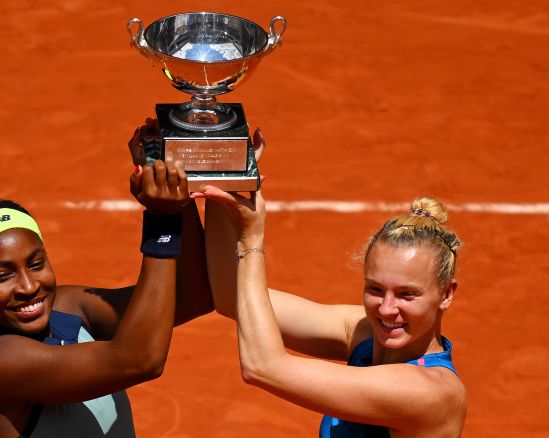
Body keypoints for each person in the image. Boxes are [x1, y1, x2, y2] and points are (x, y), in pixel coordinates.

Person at [0, 128, 213, 437]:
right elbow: (139, 360)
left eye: (36, 264)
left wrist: (171, 183)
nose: (28, 287)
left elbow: (192, 296)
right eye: (3, 275)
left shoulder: (70, 307)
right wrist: (162, 220)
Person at [194, 180, 467, 437]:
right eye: (375, 289)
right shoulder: (365, 331)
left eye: (407, 295)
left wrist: (250, 241)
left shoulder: (428, 392)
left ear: (446, 294)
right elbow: (233, 296)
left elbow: (263, 367)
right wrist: (227, 178)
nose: (386, 310)